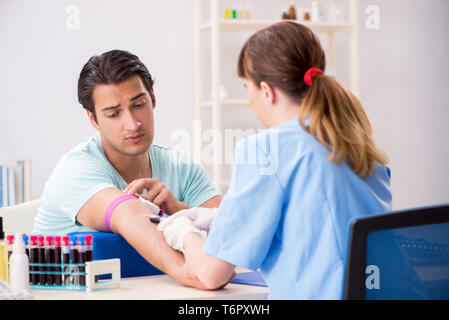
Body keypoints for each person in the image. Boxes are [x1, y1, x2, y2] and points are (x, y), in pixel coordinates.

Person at [157, 21, 392, 299]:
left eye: (247, 87)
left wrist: (184, 233)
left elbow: (210, 274)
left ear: (266, 91)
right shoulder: (356, 143)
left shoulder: (266, 149)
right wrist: (224, 219)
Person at [32, 50, 223, 289]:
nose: (132, 124)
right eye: (113, 114)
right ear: (93, 119)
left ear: (153, 98)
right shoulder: (75, 170)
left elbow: (233, 225)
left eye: (139, 104)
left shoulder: (181, 167)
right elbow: (127, 213)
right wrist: (193, 273)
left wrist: (179, 210)